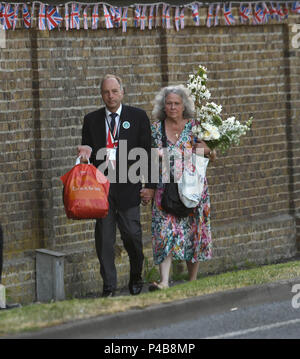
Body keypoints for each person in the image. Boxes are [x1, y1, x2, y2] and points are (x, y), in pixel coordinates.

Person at [78, 74, 155, 297]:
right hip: (102, 191)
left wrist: (149, 185)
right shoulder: (91, 120)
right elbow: (89, 154)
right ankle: (109, 286)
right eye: (106, 92)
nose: (110, 96)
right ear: (101, 95)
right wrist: (84, 156)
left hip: (129, 188)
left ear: (122, 92)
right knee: (104, 241)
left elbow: (148, 154)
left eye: (114, 91)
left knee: (132, 237)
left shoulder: (138, 116)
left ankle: (136, 275)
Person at [148, 85, 216, 291]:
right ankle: (165, 281)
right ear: (163, 106)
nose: (172, 107)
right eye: (168, 103)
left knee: (193, 232)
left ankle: (192, 280)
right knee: (164, 232)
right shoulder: (156, 129)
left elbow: (212, 155)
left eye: (176, 103)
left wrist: (205, 150)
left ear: (184, 105)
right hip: (165, 188)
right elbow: (149, 159)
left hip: (193, 188)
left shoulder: (195, 127)